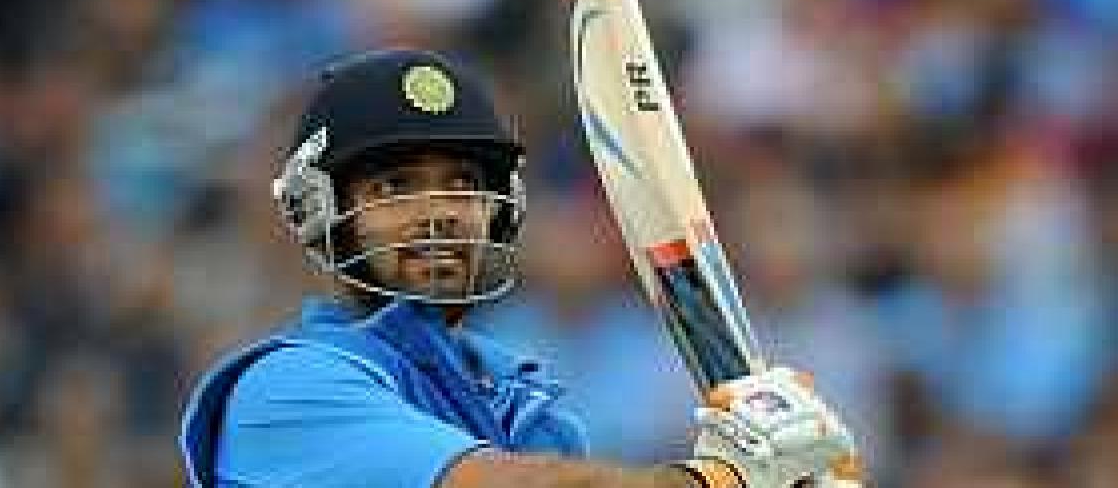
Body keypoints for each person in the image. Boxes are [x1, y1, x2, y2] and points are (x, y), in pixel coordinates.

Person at [179, 48, 860, 487]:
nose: (439, 213)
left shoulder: (525, 407)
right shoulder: (284, 391)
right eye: (395, 188)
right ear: (320, 211)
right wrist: (717, 480)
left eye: (461, 184)